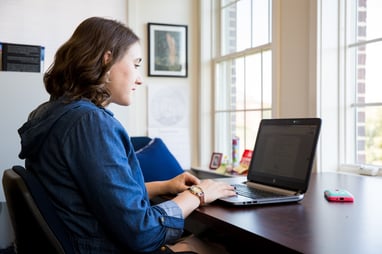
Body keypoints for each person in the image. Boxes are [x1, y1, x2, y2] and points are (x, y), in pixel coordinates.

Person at [17, 16, 236, 254]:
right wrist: (199, 194)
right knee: (222, 247)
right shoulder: (89, 123)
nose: (139, 79)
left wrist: (165, 185)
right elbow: (143, 232)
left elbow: (98, 193)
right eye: (136, 64)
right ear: (107, 59)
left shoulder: (51, 113)